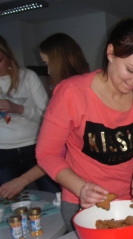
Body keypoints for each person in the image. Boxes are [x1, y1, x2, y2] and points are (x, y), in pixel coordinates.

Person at [36, 18, 133, 232]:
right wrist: (81, 188)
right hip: (82, 201)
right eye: (131, 70)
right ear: (111, 52)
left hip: (128, 201)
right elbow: (46, 154)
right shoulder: (72, 94)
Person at [0, 33, 89, 199]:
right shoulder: (84, 85)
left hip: (79, 174)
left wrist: (21, 180)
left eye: (48, 64)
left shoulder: (66, 92)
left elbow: (56, 152)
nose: (48, 70)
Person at [0, 35, 59, 195]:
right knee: (10, 200)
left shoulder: (27, 76)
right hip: (3, 152)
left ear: (8, 55)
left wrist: (19, 109)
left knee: (53, 194)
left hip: (34, 147)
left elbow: (48, 116)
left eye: (0, 60)